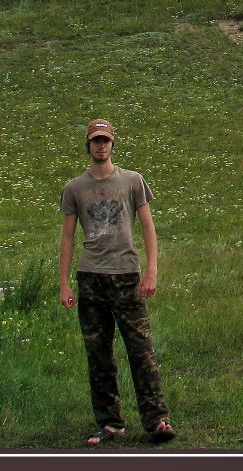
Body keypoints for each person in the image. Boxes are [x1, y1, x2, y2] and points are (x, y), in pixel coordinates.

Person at [60, 118, 176, 447]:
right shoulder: (74, 188)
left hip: (126, 276)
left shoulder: (132, 181)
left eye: (106, 140)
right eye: (96, 140)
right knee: (98, 354)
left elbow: (148, 226)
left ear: (113, 144)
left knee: (141, 350)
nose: (101, 146)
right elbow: (67, 237)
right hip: (91, 278)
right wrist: (64, 283)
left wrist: (151, 271)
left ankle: (157, 420)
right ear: (88, 145)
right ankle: (110, 423)